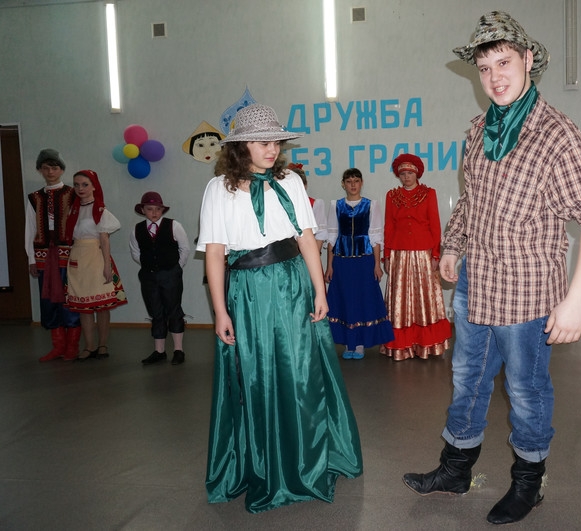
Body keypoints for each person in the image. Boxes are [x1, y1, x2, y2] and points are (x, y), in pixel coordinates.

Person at [401, 11, 581, 526]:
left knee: (525, 390)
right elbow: (471, 201)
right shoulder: (479, 131)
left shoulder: (556, 134)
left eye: (503, 63)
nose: (494, 77)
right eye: (484, 67)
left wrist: (577, 300)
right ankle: (456, 470)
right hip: (477, 283)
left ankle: (528, 483)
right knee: (467, 379)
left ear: (527, 60)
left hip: (527, 292)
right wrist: (452, 246)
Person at [197, 103, 362, 513]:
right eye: (263, 143)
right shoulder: (218, 189)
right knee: (256, 375)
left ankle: (306, 459)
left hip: (291, 285)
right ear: (241, 146)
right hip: (248, 292)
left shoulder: (289, 181)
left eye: (277, 143)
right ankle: (263, 461)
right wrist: (220, 311)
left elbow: (306, 238)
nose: (273, 150)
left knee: (300, 371)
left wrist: (320, 290)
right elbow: (215, 253)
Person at [381, 153, 451, 360]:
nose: (406, 177)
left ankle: (426, 344)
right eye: (403, 173)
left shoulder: (429, 194)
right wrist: (387, 255)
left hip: (423, 253)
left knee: (425, 297)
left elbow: (435, 225)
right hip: (399, 253)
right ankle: (402, 345)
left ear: (417, 174)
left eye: (410, 173)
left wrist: (436, 254)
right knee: (400, 299)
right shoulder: (391, 196)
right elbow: (389, 225)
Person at [325, 168, 394, 359]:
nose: (353, 185)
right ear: (343, 184)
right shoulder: (336, 205)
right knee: (345, 299)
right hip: (342, 261)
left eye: (356, 181)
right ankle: (349, 343)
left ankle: (361, 343)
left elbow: (376, 237)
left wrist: (377, 264)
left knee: (363, 299)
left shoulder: (371, 205)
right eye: (349, 181)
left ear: (361, 183)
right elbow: (332, 237)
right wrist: (330, 265)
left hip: (364, 261)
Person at [25, 149, 82, 361]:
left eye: (54, 167)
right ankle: (58, 346)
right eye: (46, 168)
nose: (50, 172)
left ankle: (72, 346)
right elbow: (30, 229)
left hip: (68, 254)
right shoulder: (35, 198)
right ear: (40, 170)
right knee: (49, 298)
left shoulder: (73, 194)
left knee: (69, 297)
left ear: (62, 170)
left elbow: (81, 225)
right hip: (43, 255)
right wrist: (31, 258)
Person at [64, 169, 127, 360]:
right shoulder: (72, 210)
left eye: (85, 184)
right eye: (76, 185)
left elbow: (104, 240)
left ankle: (102, 345)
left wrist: (107, 265)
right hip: (77, 258)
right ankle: (89, 346)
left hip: (96, 257)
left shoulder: (100, 210)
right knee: (84, 306)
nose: (80, 188)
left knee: (102, 306)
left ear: (94, 186)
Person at [129, 192, 191, 365]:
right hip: (149, 276)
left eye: (158, 209)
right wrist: (149, 265)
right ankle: (159, 351)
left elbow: (184, 248)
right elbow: (136, 252)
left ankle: (178, 350)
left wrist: (176, 268)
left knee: (174, 310)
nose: (154, 213)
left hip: (170, 274)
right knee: (155, 311)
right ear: (143, 210)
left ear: (162, 210)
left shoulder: (174, 226)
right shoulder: (137, 229)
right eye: (150, 209)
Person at [287, 162, 328, 252]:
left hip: (309, 252)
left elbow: (320, 234)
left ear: (305, 185)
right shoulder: (283, 205)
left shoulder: (315, 204)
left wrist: (314, 255)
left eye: (300, 185)